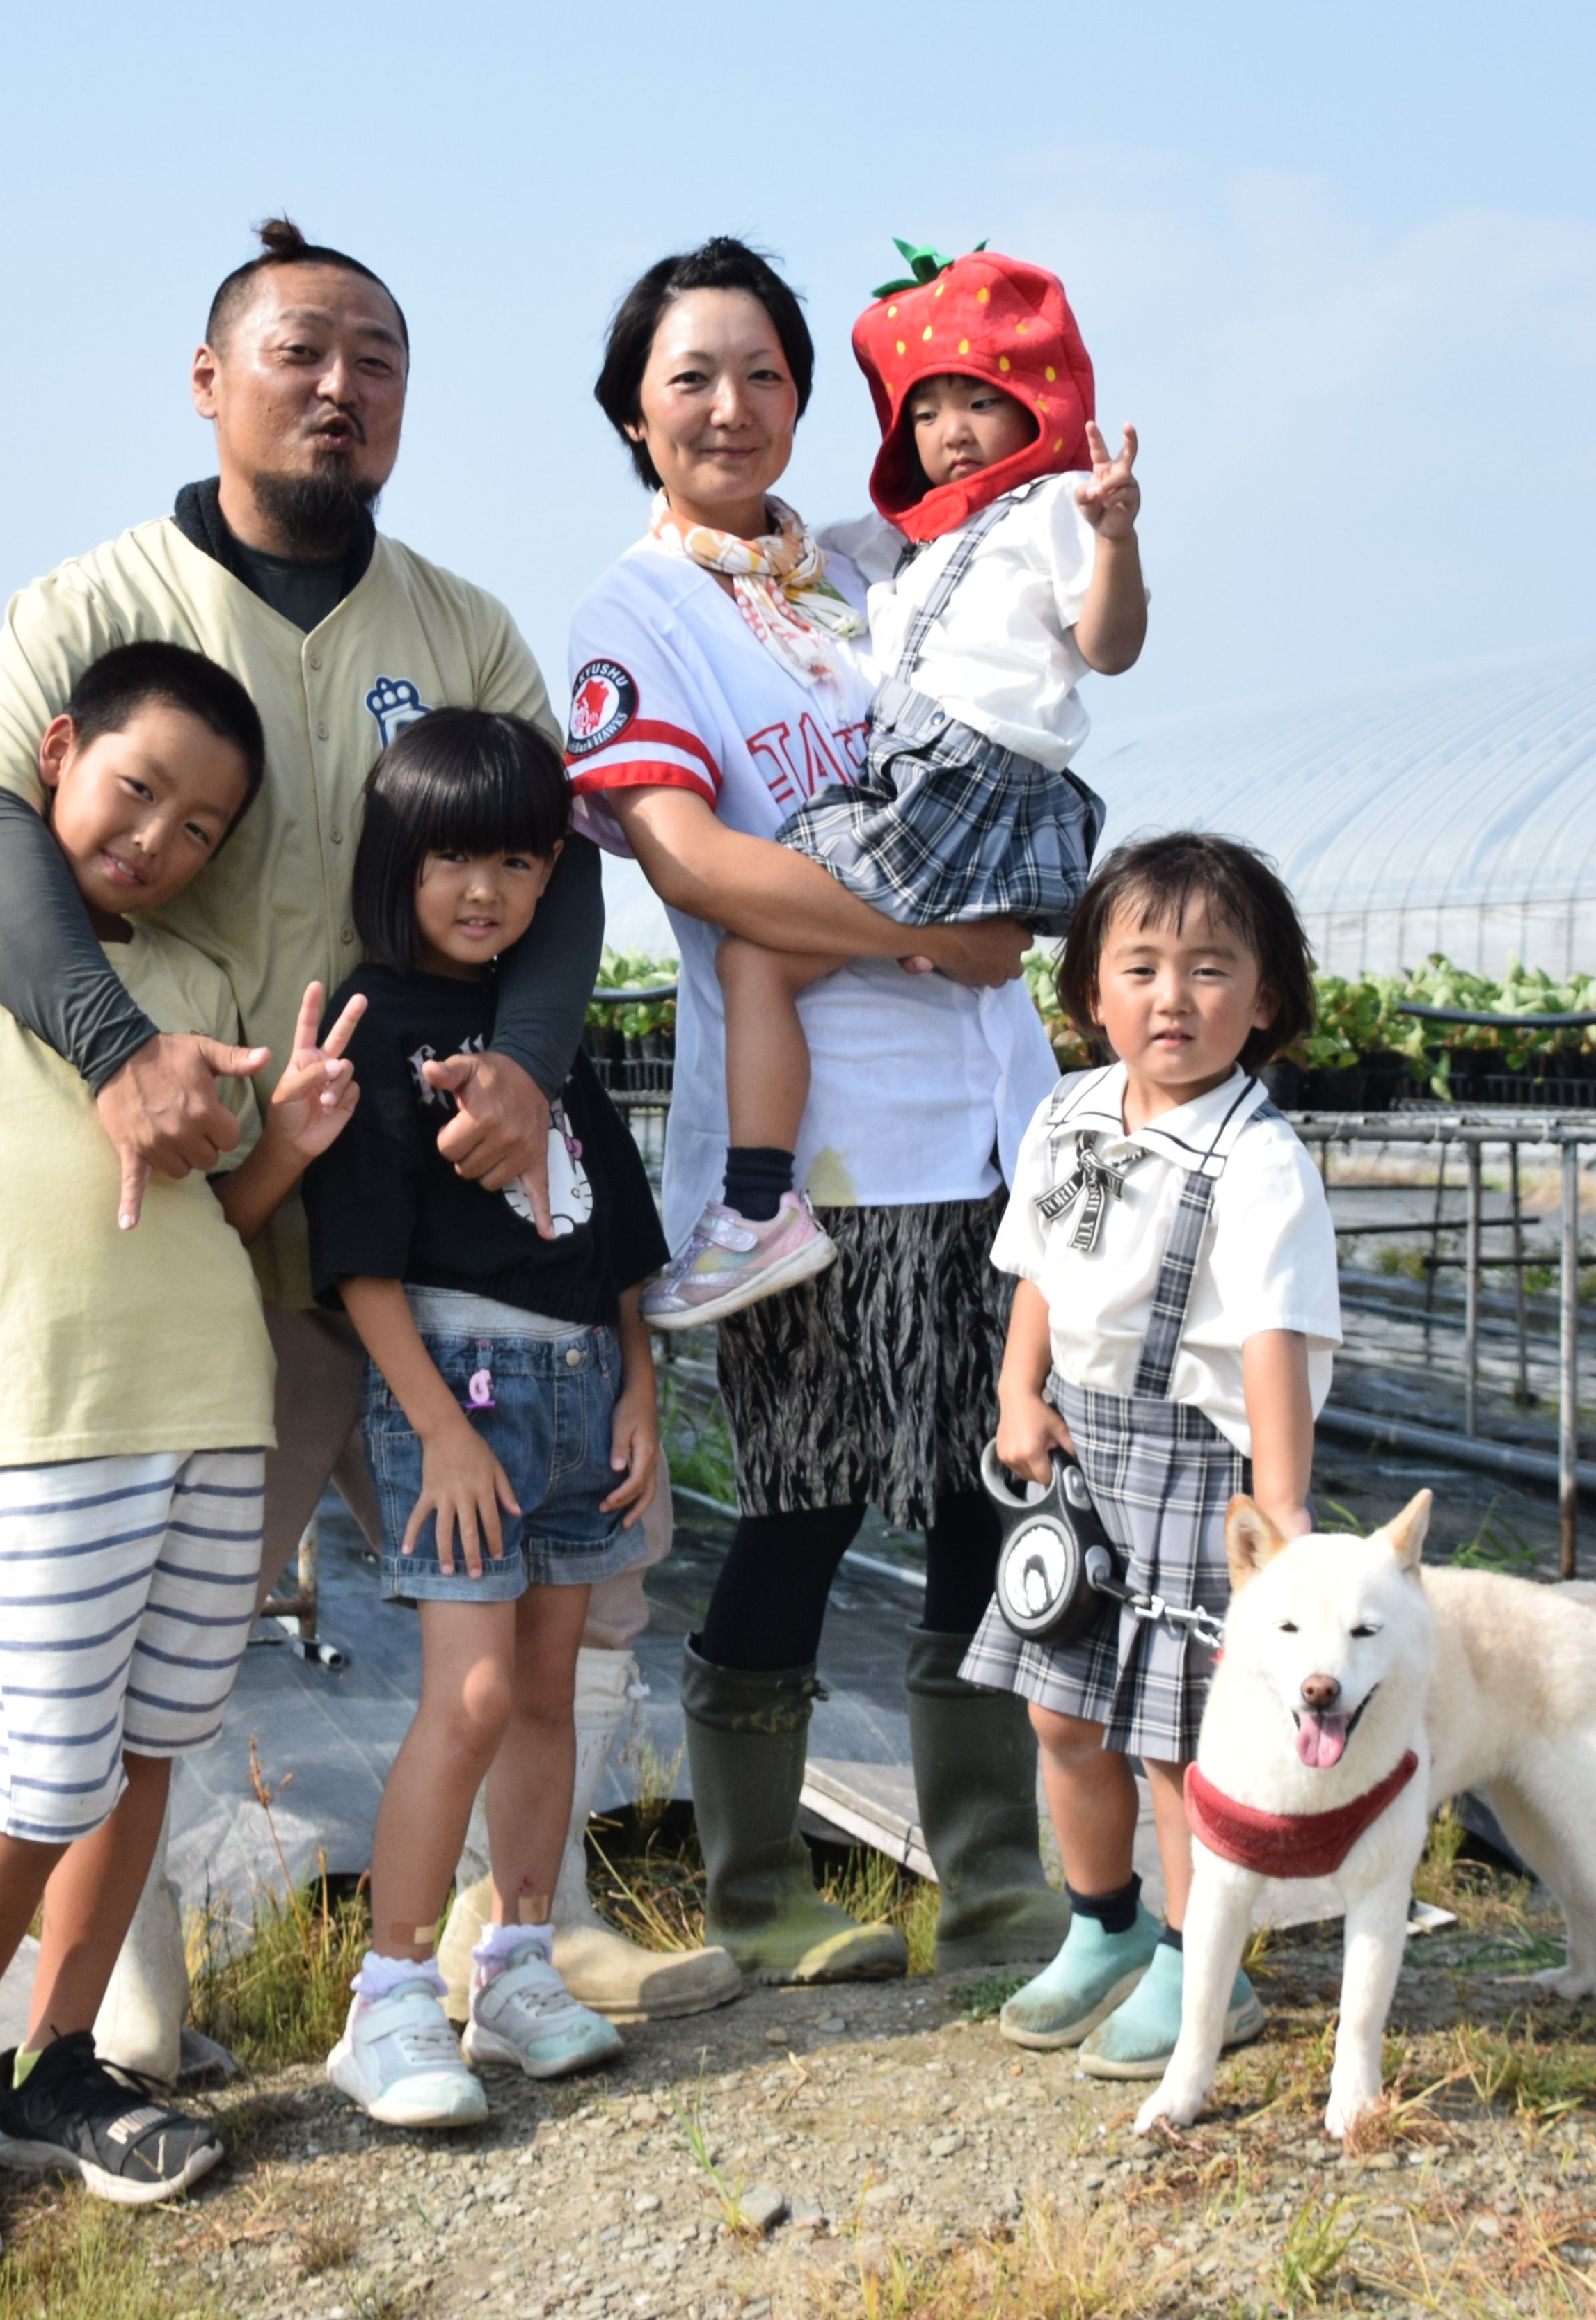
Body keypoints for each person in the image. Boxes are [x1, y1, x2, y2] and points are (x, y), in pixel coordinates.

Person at [0, 219, 716, 2056]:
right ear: (211, 380)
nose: (339, 385)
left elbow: (563, 874)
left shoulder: (457, 627)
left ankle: (533, 1945)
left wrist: (525, 1063)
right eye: (299, 350)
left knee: (550, 1623)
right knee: (152, 1669)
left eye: (376, 357)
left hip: (442, 1232)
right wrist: (116, 1051)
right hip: (207, 1234)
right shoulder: (89, 604)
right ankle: (117, 2030)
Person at [0, 641, 368, 2283]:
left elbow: (223, 1223)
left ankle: (53, 2064)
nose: (157, 841)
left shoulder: (190, 977)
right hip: (54, 1423)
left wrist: (298, 1142)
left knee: (151, 1745)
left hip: (217, 1396)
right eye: (137, 790)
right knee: (41, 1774)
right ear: (53, 754)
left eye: (200, 826)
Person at [560, 237, 1064, 1986]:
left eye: (766, 371)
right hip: (812, 1146)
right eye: (691, 375)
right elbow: (696, 863)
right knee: (804, 1496)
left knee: (998, 1491)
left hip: (990, 1120)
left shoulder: (878, 565)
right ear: (635, 407)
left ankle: (1000, 1881)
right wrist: (944, 934)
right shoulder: (636, 617)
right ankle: (759, 1886)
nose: (730, 404)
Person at [650, 248, 1148, 1329]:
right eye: (928, 409)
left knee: (756, 952)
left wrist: (1116, 539)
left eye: (984, 399)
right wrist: (955, 943)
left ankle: (753, 1206)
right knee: (759, 950)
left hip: (964, 782)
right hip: (935, 784)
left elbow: (1110, 648)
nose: (955, 430)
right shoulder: (908, 548)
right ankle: (760, 1202)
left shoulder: (1057, 508)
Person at [298, 710, 673, 2126]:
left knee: (545, 1690)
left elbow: (616, 1242)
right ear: (394, 861)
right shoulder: (377, 1021)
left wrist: (639, 1381)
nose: (486, 890)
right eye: (453, 856)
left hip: (581, 1390)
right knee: (465, 1692)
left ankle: (515, 1962)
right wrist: (439, 1432)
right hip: (457, 1392)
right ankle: (389, 1993)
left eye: (518, 861)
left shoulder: (544, 1037)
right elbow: (362, 1265)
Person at [964, 832, 1345, 2083]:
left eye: (1211, 969)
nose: (1173, 998)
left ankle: (1202, 1966)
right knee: (1061, 1711)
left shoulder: (1260, 1160)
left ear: (1266, 998)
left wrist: (1279, 1512)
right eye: (1140, 968)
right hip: (1082, 1444)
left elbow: (1276, 1340)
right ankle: (1104, 1926)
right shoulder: (1070, 1112)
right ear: (1088, 995)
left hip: (1199, 1465)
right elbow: (1037, 1266)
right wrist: (1020, 1391)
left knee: (1179, 1739)